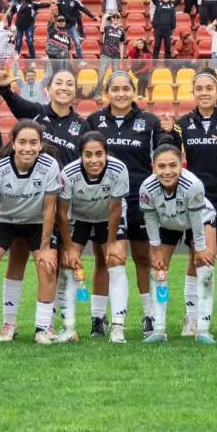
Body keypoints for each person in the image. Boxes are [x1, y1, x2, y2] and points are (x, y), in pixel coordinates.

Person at [157, 70, 217, 339]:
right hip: (196, 200)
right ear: (193, 92)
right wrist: (166, 134)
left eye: (209, 87)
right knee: (195, 257)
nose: (204, 92)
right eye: (199, 88)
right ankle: (192, 317)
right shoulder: (184, 122)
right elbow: (169, 152)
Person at [87, 71, 168, 336]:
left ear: (134, 92)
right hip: (105, 201)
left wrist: (171, 132)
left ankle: (149, 315)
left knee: (143, 258)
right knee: (104, 259)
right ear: (106, 93)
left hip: (140, 201)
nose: (120, 94)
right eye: (115, 89)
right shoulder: (94, 120)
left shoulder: (149, 121)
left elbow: (164, 155)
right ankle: (98, 319)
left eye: (126, 89)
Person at [0, 120, 66, 346]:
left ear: (41, 144)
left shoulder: (50, 165)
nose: (28, 148)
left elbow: (50, 208)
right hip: (4, 221)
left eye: (34, 143)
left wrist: (45, 248)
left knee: (47, 266)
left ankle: (42, 329)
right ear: (13, 143)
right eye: (22, 142)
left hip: (37, 221)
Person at [139, 144, 217, 345]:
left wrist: (199, 248)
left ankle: (202, 329)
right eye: (161, 166)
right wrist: (156, 250)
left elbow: (196, 218)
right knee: (157, 269)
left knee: (205, 266)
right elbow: (149, 219)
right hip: (166, 221)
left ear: (181, 165)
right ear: (154, 167)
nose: (167, 171)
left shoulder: (193, 184)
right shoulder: (147, 188)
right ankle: (158, 330)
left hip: (199, 218)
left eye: (173, 165)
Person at [56, 133, 132, 344]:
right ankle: (69, 327)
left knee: (115, 261)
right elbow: (61, 212)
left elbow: (115, 208)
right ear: (80, 155)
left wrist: (112, 243)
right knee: (67, 264)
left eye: (99, 154)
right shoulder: (69, 173)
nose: (94, 160)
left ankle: (117, 327)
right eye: (88, 155)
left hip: (108, 217)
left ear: (107, 154)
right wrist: (70, 248)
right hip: (79, 217)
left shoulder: (118, 169)